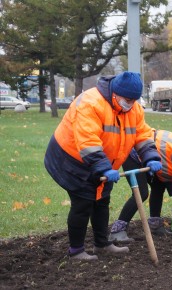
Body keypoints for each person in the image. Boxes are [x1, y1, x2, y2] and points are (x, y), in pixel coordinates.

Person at [44, 71, 162, 260]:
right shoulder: (91, 103)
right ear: (115, 93)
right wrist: (104, 168)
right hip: (70, 158)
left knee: (102, 201)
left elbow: (142, 135)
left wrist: (150, 156)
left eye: (134, 100)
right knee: (83, 203)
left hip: (103, 162)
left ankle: (101, 245)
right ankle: (76, 251)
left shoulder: (133, 109)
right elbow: (88, 141)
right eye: (127, 99)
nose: (130, 104)